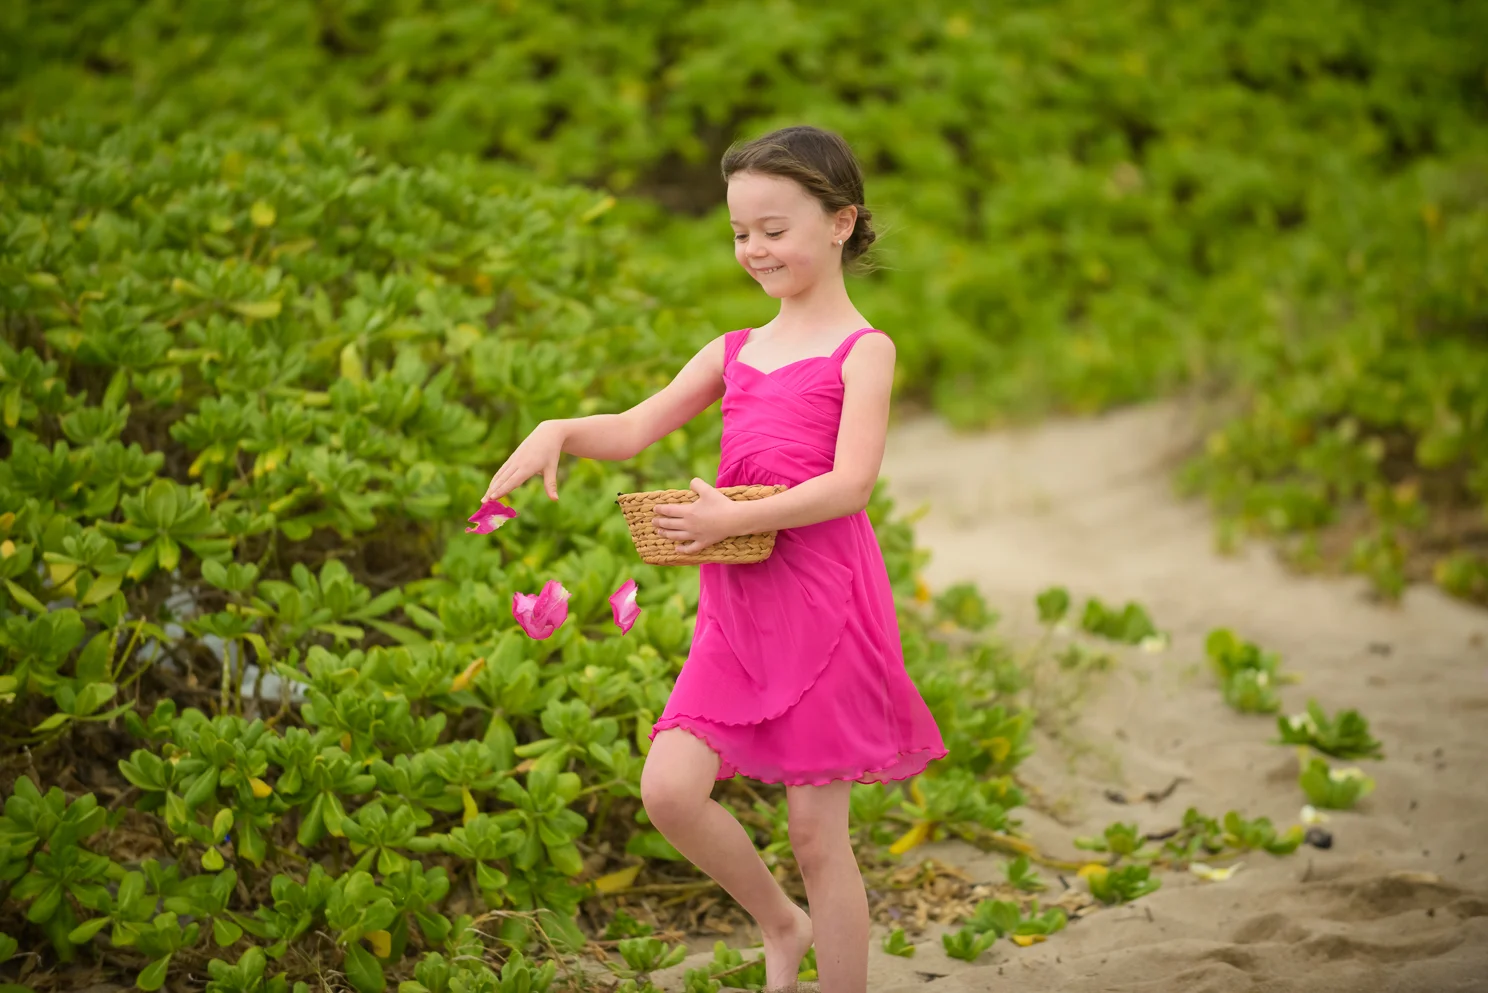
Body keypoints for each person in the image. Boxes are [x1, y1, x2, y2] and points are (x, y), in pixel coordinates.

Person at [482, 125, 947, 993]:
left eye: (775, 228)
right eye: (740, 233)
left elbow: (851, 485)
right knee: (669, 791)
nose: (755, 249)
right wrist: (559, 430)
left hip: (828, 599)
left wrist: (738, 509)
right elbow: (630, 428)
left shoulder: (864, 351)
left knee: (816, 834)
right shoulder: (735, 348)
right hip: (737, 608)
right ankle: (781, 922)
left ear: (842, 221)